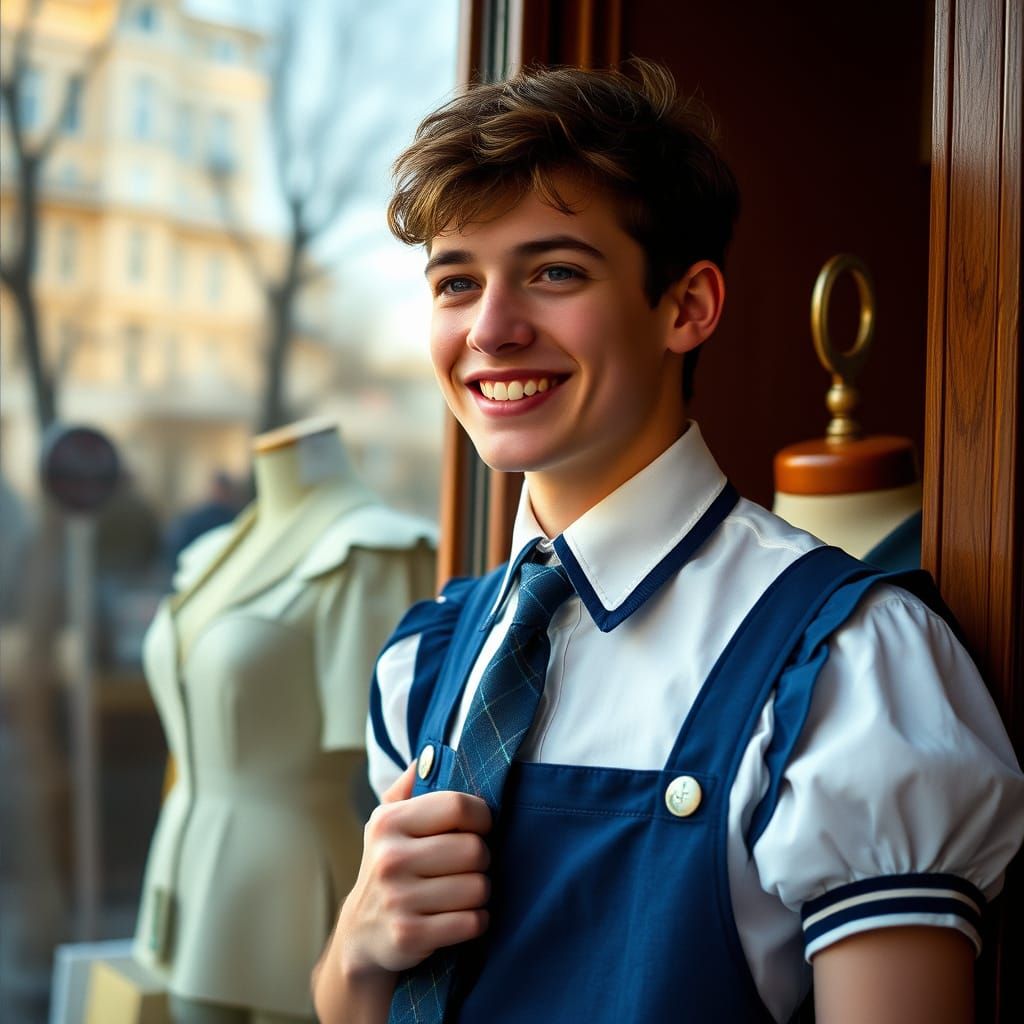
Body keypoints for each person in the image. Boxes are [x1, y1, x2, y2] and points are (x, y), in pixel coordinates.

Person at [311, 61, 1024, 1023]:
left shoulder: (850, 666)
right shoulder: (424, 659)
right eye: (456, 281)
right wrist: (354, 958)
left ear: (687, 306)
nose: (492, 328)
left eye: (554, 272)